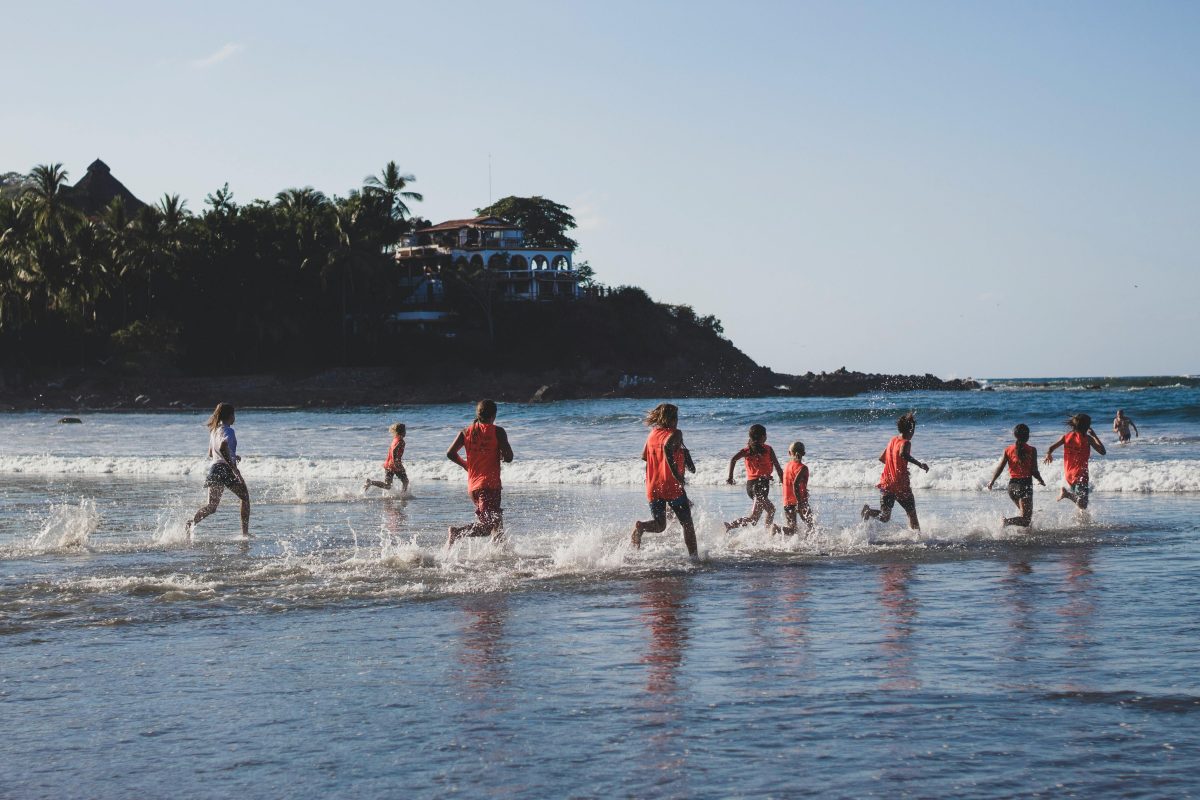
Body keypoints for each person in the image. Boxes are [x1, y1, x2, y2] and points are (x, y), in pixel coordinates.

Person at [631, 403, 698, 557]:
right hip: (671, 486)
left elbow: (644, 456)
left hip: (653, 485)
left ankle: (641, 527)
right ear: (673, 418)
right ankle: (695, 558)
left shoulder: (652, 433)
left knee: (660, 525)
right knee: (687, 524)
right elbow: (667, 447)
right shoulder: (676, 433)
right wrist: (676, 474)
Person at [446, 400, 513, 547]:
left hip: (473, 487)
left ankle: (502, 553)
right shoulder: (497, 431)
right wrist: (501, 453)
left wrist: (466, 465)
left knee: (497, 521)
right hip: (489, 486)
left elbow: (450, 453)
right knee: (488, 527)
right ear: (494, 415)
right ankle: (457, 532)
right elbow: (509, 457)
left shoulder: (465, 432)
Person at [186, 403, 250, 539]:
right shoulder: (229, 430)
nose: (235, 418)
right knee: (245, 497)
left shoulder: (214, 431)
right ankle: (245, 534)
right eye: (234, 415)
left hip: (215, 469)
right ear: (230, 416)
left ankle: (191, 523)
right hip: (225, 469)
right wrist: (233, 467)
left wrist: (232, 454)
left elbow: (211, 453)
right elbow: (222, 447)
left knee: (212, 507)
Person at [861, 412, 929, 530]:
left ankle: (868, 512)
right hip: (900, 485)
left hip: (887, 483)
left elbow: (882, 458)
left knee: (884, 517)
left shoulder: (893, 440)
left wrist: (899, 467)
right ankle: (919, 540)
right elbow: (903, 454)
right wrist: (919, 464)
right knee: (911, 514)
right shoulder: (906, 442)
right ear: (911, 429)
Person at [724, 424, 785, 532]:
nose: (766, 436)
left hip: (753, 486)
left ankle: (767, 533)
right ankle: (731, 525)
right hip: (759, 486)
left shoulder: (747, 450)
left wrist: (730, 477)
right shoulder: (768, 449)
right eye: (765, 434)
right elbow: (778, 467)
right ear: (762, 437)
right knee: (756, 517)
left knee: (767, 512)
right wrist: (783, 481)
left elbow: (733, 459)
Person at [987, 423, 1046, 527]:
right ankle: (1006, 522)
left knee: (1026, 516)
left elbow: (1000, 467)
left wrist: (992, 481)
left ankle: (1026, 533)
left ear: (1015, 435)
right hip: (1025, 485)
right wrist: (1040, 480)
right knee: (1026, 520)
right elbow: (1034, 470)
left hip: (1012, 487)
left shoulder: (1008, 450)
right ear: (1028, 436)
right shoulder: (1032, 450)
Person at [1044, 413, 1106, 510]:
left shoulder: (1066, 436)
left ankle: (1082, 521)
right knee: (1083, 504)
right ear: (1085, 426)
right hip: (1081, 474)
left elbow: (1051, 448)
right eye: (1089, 424)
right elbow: (1103, 452)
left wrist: (1048, 454)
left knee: (1080, 501)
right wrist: (1095, 436)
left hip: (1069, 474)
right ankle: (1067, 495)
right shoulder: (1087, 438)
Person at [780, 441, 814, 535]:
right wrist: (799, 503)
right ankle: (810, 545)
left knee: (792, 530)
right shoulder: (803, 468)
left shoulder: (787, 466)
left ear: (789, 453)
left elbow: (790, 482)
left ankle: (776, 529)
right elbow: (795, 484)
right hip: (800, 501)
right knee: (811, 525)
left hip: (787, 501)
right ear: (804, 453)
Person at [364, 422, 410, 493]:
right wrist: (395, 463)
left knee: (388, 485)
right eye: (405, 430)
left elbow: (392, 451)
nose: (405, 432)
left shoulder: (395, 439)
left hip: (388, 464)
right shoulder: (401, 441)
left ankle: (371, 482)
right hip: (395, 464)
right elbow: (394, 451)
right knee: (405, 481)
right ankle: (403, 495)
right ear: (402, 432)